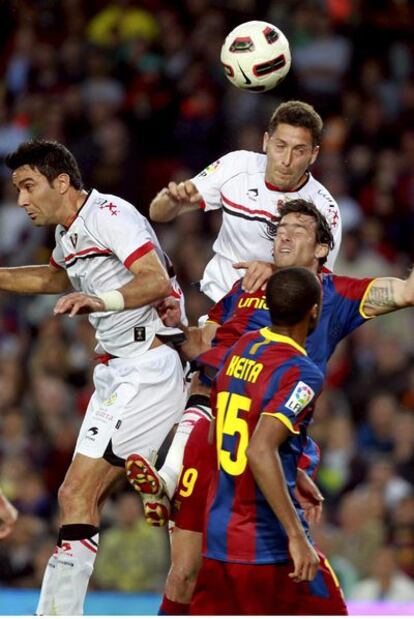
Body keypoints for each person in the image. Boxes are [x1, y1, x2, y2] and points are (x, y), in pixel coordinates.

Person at [129, 198, 414, 613]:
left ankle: (168, 476)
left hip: (255, 457)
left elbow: (405, 292)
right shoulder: (245, 291)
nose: (285, 232)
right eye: (281, 227)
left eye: (299, 228)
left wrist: (292, 467)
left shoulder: (333, 296)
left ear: (321, 250)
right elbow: (206, 347)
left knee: (204, 578)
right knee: (185, 570)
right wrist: (174, 327)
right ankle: (170, 474)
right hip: (231, 449)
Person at [2, 139, 187, 615]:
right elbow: (53, 278)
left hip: (150, 364)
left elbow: (155, 280)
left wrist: (100, 301)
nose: (21, 200)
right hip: (117, 370)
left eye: (28, 187)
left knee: (79, 491)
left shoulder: (109, 214)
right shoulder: (71, 234)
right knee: (75, 495)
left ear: (61, 183)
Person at [190, 267, 347, 615]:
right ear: (315, 312)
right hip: (267, 546)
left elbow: (223, 430)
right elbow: (259, 449)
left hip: (218, 538)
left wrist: (292, 470)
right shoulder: (302, 373)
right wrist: (296, 535)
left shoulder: (245, 345)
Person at [149, 99, 342, 301]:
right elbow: (158, 214)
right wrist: (171, 200)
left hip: (272, 313)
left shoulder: (325, 209)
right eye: (280, 146)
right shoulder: (236, 165)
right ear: (266, 142)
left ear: (313, 154)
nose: (286, 160)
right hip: (217, 298)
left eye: (299, 151)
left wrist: (276, 272)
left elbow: (322, 285)